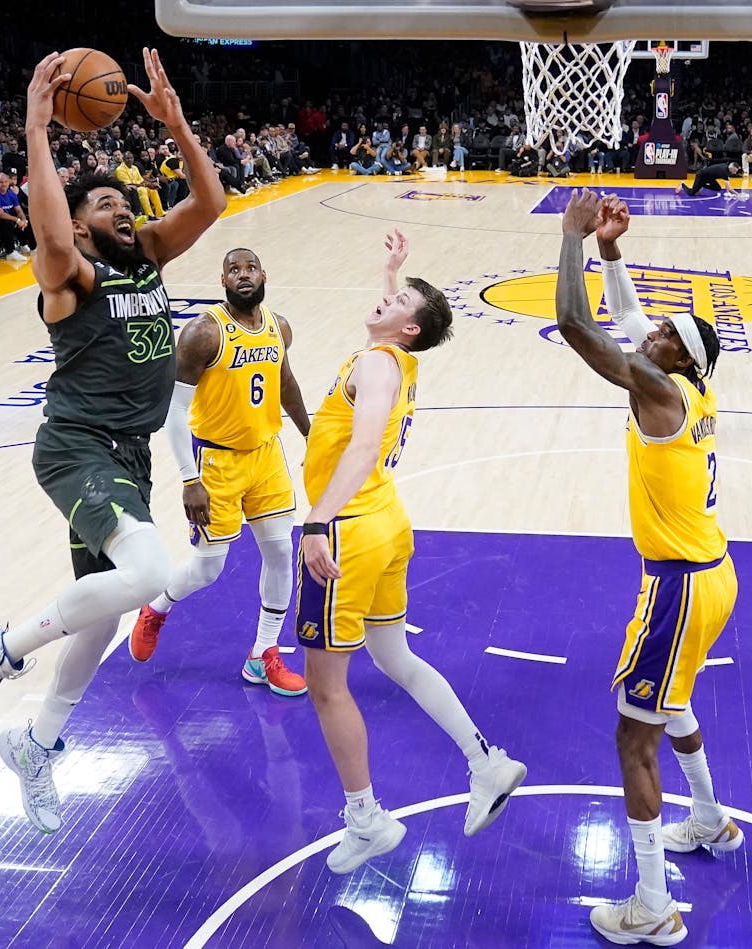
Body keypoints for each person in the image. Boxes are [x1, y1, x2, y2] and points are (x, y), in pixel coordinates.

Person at [0, 49, 225, 835]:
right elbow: (52, 232)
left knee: (102, 616)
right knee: (150, 570)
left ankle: (36, 742)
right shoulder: (71, 278)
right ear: (81, 223)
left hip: (129, 453)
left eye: (126, 200)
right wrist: (36, 125)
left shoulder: (148, 258)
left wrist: (175, 122)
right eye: (104, 205)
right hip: (76, 446)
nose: (121, 209)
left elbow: (212, 201)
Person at [296, 229, 526, 875]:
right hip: (389, 521)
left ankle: (365, 818)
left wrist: (317, 520)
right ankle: (487, 761)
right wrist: (392, 270)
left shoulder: (375, 363)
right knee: (394, 655)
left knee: (326, 687)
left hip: (348, 530)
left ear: (409, 329)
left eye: (401, 301)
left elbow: (364, 447)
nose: (388, 300)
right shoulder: (398, 357)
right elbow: (394, 323)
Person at [554, 190, 740, 944]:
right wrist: (609, 250)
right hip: (713, 574)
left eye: (664, 333)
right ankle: (709, 820)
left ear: (677, 358)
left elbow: (576, 325)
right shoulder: (691, 389)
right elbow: (632, 324)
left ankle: (653, 905)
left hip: (679, 583)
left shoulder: (658, 391)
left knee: (635, 738)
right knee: (678, 703)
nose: (651, 332)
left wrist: (570, 240)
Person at [129, 247, 312, 696]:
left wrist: (312, 434)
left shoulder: (278, 327)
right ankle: (156, 608)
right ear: (223, 280)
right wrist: (189, 479)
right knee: (209, 568)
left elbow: (284, 382)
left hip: (266, 456)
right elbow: (172, 411)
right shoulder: (202, 334)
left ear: (264, 273)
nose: (243, 275)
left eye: (251, 267)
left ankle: (262, 654)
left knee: (281, 554)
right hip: (216, 462)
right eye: (234, 269)